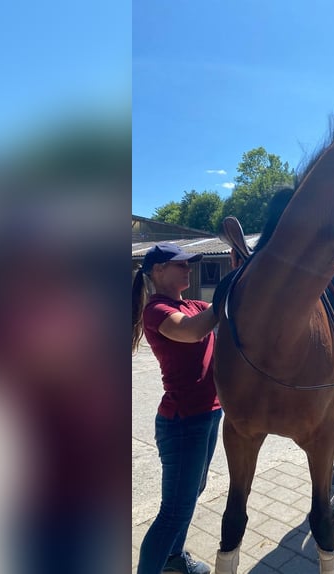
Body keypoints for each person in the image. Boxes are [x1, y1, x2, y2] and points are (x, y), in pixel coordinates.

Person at [132, 243, 222, 574]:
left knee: (192, 494)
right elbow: (193, 330)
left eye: (189, 264)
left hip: (210, 415)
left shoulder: (192, 303)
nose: (189, 269)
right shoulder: (156, 310)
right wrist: (226, 294)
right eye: (180, 264)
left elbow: (219, 311)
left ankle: (173, 560)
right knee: (173, 512)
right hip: (183, 423)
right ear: (157, 271)